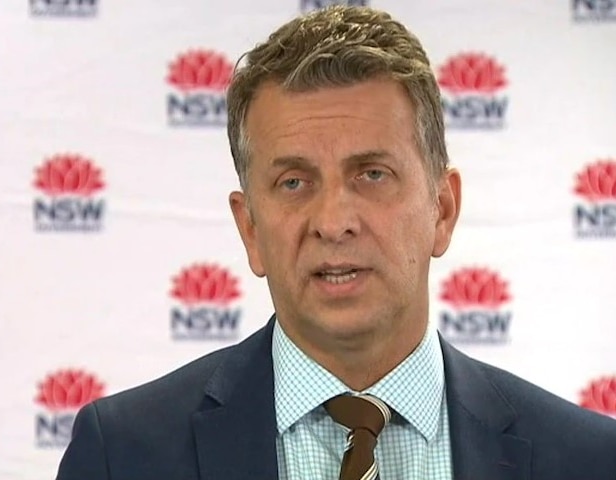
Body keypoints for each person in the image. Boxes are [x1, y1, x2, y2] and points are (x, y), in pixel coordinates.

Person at [55, 6, 616, 480]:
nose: (332, 221)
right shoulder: (123, 454)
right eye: (294, 182)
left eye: (371, 174)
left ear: (441, 210)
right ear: (249, 228)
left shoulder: (590, 459)